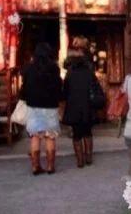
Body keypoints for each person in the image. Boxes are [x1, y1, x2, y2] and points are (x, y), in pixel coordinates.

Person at [21, 43, 62, 175]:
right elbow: (58, 87)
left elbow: (25, 88)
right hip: (50, 106)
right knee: (50, 137)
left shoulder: (28, 69)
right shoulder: (54, 69)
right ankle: (50, 166)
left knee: (35, 136)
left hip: (33, 106)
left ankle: (35, 166)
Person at [62, 48, 98, 168]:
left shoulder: (70, 74)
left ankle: (80, 160)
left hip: (74, 107)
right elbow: (96, 88)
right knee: (87, 132)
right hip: (88, 106)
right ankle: (88, 157)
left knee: (77, 134)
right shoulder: (89, 73)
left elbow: (65, 92)